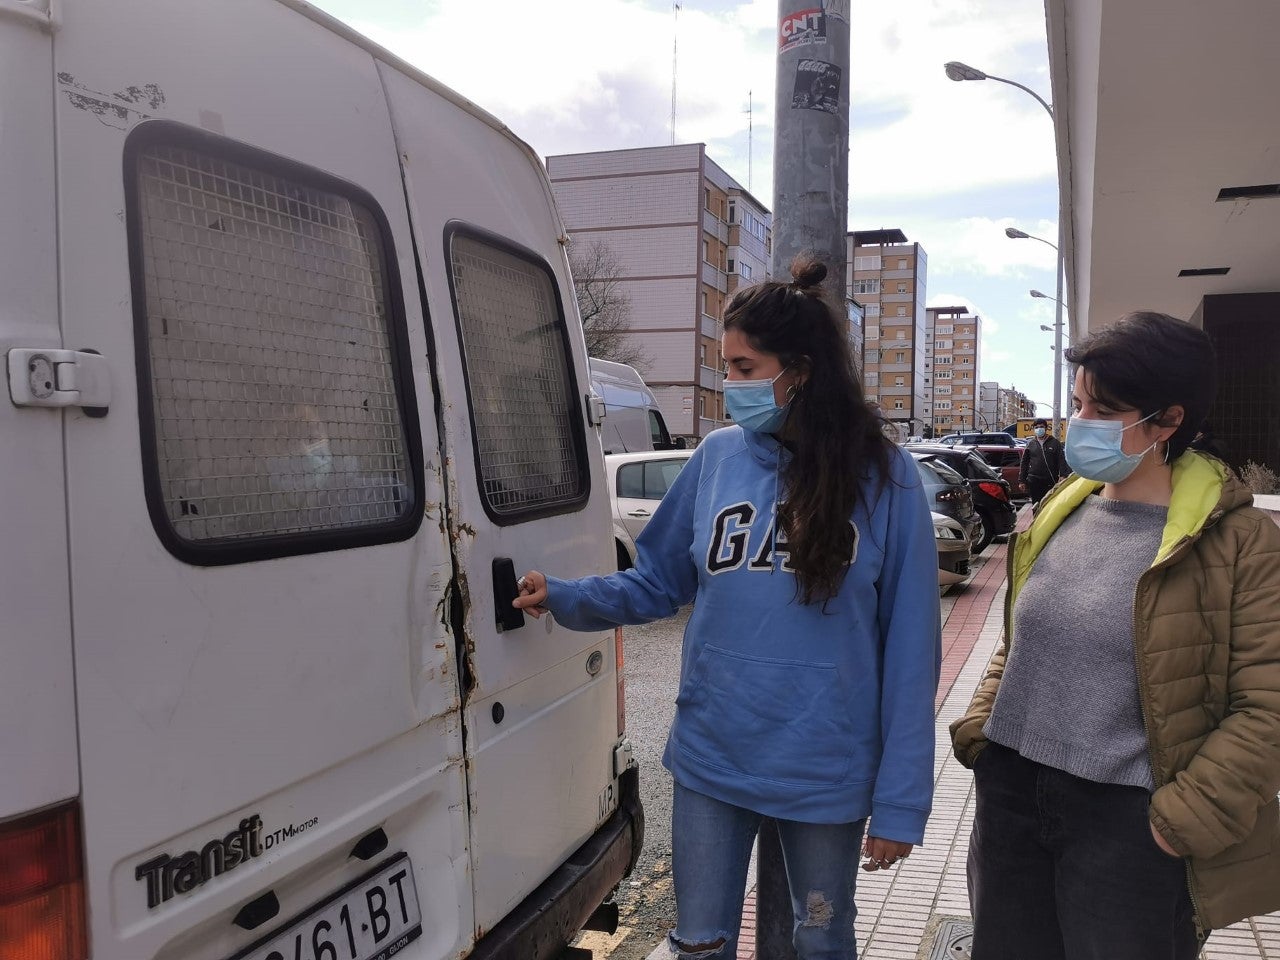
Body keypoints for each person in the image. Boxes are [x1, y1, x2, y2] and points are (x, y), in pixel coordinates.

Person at [515, 258, 942, 959]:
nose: (729, 385)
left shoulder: (884, 477)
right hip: (715, 753)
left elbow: (912, 649)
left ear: (799, 369)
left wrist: (901, 801)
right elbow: (655, 582)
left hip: (825, 764)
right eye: (725, 366)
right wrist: (565, 596)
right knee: (698, 943)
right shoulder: (715, 459)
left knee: (822, 936)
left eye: (744, 368)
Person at [949, 311, 1280, 959]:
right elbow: (1019, 640)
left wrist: (1179, 821)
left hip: (1130, 821)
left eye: (1103, 408)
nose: (1080, 424)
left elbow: (1267, 708)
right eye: (1077, 404)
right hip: (1012, 797)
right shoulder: (1063, 507)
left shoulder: (1239, 543)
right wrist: (982, 732)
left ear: (1169, 420)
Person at [1019, 417, 1067, 507]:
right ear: (1034, 429)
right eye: (1036, 427)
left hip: (1050, 480)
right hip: (1034, 480)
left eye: (1041, 427)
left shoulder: (1054, 443)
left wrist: (1063, 475)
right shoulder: (1030, 444)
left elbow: (1061, 460)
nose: (1039, 429)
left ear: (1045, 428)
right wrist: (1022, 480)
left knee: (1049, 505)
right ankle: (1036, 520)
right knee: (1036, 505)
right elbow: (1024, 463)